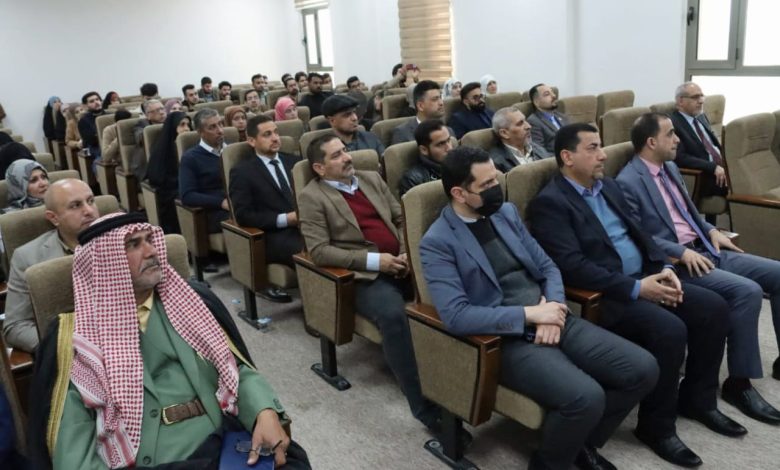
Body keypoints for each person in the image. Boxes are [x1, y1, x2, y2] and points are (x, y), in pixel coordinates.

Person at [421, 146, 658, 470]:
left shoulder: (505, 213)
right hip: (507, 339)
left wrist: (554, 305)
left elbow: (547, 267)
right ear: (459, 193)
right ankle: (548, 463)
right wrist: (530, 315)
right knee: (586, 397)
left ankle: (577, 441)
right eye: (486, 185)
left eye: (496, 179)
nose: (496, 189)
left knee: (643, 369)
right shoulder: (437, 242)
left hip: (552, 313)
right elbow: (456, 315)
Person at [527, 123, 739, 468]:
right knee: (670, 331)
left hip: (647, 276)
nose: (603, 155)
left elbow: (642, 234)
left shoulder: (608, 186)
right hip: (608, 295)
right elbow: (572, 266)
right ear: (567, 157)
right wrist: (638, 288)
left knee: (713, 308)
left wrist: (664, 267)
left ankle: (698, 401)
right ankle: (657, 427)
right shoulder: (551, 203)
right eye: (593, 148)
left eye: (601, 146)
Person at [27, 212, 311, 469]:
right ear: (104, 262)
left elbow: (235, 370)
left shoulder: (192, 303)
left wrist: (264, 411)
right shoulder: (75, 338)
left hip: (222, 445)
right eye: (133, 244)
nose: (151, 251)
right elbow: (74, 451)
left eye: (150, 240)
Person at [617, 112, 780, 423]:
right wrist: (680, 252)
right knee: (747, 292)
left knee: (778, 273)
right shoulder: (628, 181)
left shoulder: (670, 167)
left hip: (706, 245)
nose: (678, 139)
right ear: (651, 142)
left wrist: (711, 229)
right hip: (679, 262)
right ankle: (739, 383)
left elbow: (689, 212)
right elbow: (639, 235)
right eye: (670, 134)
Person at [298, 133, 441, 432]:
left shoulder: (370, 178)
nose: (347, 157)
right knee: (393, 315)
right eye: (336, 155)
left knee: (445, 289)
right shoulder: (312, 197)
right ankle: (423, 405)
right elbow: (319, 251)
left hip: (403, 261)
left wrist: (404, 251)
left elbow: (401, 218)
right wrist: (377, 261)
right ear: (320, 168)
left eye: (345, 150)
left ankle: (454, 378)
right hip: (364, 277)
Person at [3, 179, 98, 352]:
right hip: (71, 351)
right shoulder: (28, 258)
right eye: (76, 205)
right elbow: (15, 327)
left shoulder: (126, 242)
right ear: (53, 218)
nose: (89, 211)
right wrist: (64, 347)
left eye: (91, 201)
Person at [229, 115, 302, 302]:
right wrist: (286, 219)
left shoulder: (295, 162)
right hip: (274, 235)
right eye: (267, 134)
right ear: (252, 141)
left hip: (307, 225)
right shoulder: (242, 172)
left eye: (276, 132)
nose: (275, 138)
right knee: (312, 251)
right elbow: (244, 215)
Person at [669, 82, 727, 223]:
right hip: (703, 175)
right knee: (742, 186)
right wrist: (713, 167)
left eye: (701, 96)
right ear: (680, 101)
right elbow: (679, 157)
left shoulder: (700, 116)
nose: (701, 101)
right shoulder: (673, 123)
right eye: (695, 97)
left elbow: (713, 145)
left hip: (721, 167)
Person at [179, 108, 229, 233]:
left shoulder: (232, 150)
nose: (220, 130)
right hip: (216, 211)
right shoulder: (190, 158)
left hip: (240, 202)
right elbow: (187, 195)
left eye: (220, 124)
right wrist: (221, 202)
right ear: (200, 132)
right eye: (212, 127)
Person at [145, 111, 191, 234]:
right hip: (170, 191)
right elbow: (156, 177)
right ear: (173, 127)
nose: (187, 129)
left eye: (188, 125)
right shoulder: (162, 148)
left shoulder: (191, 146)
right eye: (182, 125)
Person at [398, 120, 452, 197]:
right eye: (440, 144)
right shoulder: (413, 179)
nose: (449, 148)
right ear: (424, 150)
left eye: (449, 140)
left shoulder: (461, 165)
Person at [489, 106, 551, 172]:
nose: (529, 126)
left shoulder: (537, 148)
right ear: (504, 133)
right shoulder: (496, 161)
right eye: (520, 124)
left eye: (525, 121)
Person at [391, 80, 447, 145]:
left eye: (440, 98)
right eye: (435, 99)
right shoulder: (403, 133)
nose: (441, 103)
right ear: (420, 106)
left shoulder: (447, 130)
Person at [527, 83, 570, 154]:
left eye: (552, 92)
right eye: (547, 94)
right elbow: (540, 152)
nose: (554, 96)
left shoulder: (561, 116)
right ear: (536, 102)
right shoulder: (533, 121)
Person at [132, 99, 167, 182]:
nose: (161, 112)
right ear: (148, 115)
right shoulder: (141, 125)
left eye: (162, 109)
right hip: (147, 166)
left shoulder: (170, 122)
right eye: (157, 110)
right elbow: (140, 138)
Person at [78, 92, 106, 159]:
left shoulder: (109, 115)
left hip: (110, 144)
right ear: (86, 106)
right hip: (95, 147)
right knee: (102, 155)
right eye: (91, 101)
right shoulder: (83, 121)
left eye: (97, 99)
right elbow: (91, 141)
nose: (96, 102)